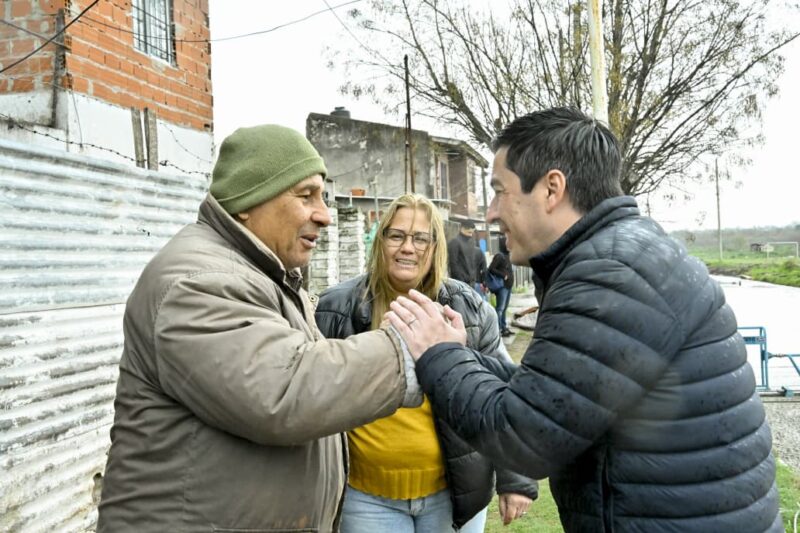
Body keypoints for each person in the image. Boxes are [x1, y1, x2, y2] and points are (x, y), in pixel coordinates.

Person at [385, 107, 782, 532]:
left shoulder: (608, 275)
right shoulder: (622, 255)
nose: (491, 213)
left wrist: (439, 354)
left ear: (552, 189)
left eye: (500, 191)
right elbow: (555, 396)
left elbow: (524, 438)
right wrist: (466, 355)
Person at [96, 125, 423, 532]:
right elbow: (283, 390)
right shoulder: (197, 282)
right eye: (306, 196)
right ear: (248, 201)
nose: (323, 215)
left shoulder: (262, 275)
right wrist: (406, 350)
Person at [315, 194, 538, 532]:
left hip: (452, 493)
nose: (408, 247)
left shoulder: (470, 309)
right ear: (380, 241)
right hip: (365, 497)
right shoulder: (336, 308)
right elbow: (313, 394)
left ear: (435, 247)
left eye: (421, 238)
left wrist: (515, 479)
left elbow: (503, 393)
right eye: (396, 235)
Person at [446, 220, 486, 298]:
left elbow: (472, 263)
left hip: (471, 283)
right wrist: (461, 280)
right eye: (468, 232)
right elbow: (453, 264)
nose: (470, 235)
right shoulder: (455, 242)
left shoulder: (471, 242)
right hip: (459, 284)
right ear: (462, 229)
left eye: (472, 233)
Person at [487, 236, 514, 336]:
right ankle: (497, 330)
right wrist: (503, 275)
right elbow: (491, 268)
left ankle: (504, 328)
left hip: (508, 286)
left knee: (504, 308)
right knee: (500, 309)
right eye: (506, 242)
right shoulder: (499, 256)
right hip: (502, 287)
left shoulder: (508, 255)